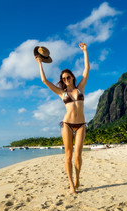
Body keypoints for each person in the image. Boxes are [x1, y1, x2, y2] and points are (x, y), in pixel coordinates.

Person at [35, 42, 90, 194]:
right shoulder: (61, 93)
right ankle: (71, 185)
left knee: (78, 156)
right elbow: (44, 81)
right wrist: (40, 63)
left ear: (72, 77)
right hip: (66, 124)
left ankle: (77, 177)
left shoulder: (80, 88)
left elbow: (86, 69)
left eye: (68, 77)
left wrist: (85, 51)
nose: (66, 79)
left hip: (80, 125)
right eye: (63, 78)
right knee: (68, 155)